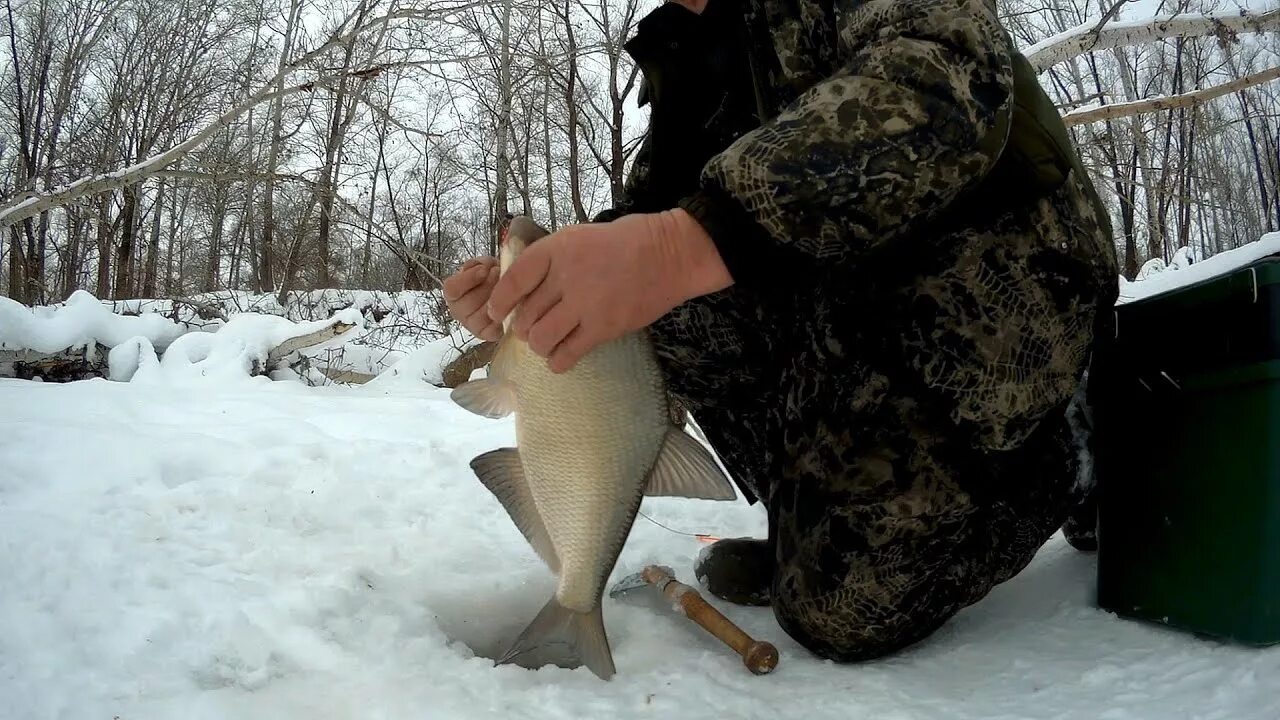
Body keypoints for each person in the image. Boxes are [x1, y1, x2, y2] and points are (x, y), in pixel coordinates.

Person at [444, 0, 1119, 662]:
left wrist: (675, 248)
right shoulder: (682, 51)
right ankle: (811, 525)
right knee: (645, 323)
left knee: (844, 609)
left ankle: (1068, 444)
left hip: (989, 291)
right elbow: (652, 229)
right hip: (844, 307)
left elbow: (943, 75)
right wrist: (535, 303)